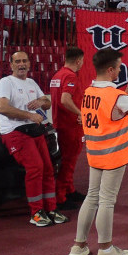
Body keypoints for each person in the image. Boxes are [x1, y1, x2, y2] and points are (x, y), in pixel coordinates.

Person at [68, 48, 128, 255]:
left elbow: (110, 112)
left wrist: (126, 92)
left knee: (92, 197)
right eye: (120, 68)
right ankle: (105, 248)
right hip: (113, 154)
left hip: (95, 153)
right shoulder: (116, 96)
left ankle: (79, 245)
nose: (120, 71)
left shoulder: (89, 92)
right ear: (111, 70)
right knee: (106, 201)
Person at [0, 51, 66, 227]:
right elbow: (1, 107)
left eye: (24, 61)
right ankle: (36, 212)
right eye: (17, 61)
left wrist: (42, 103)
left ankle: (51, 209)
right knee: (36, 168)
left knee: (49, 169)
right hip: (16, 131)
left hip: (34, 130)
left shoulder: (31, 82)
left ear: (29, 63)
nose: (21, 64)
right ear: (10, 65)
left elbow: (47, 103)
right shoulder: (5, 83)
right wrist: (29, 115)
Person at [49, 46, 87, 208]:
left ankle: (69, 189)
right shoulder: (70, 77)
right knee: (69, 160)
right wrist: (81, 113)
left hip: (61, 124)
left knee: (67, 160)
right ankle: (60, 197)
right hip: (71, 126)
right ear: (78, 61)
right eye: (82, 61)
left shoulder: (57, 76)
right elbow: (65, 99)